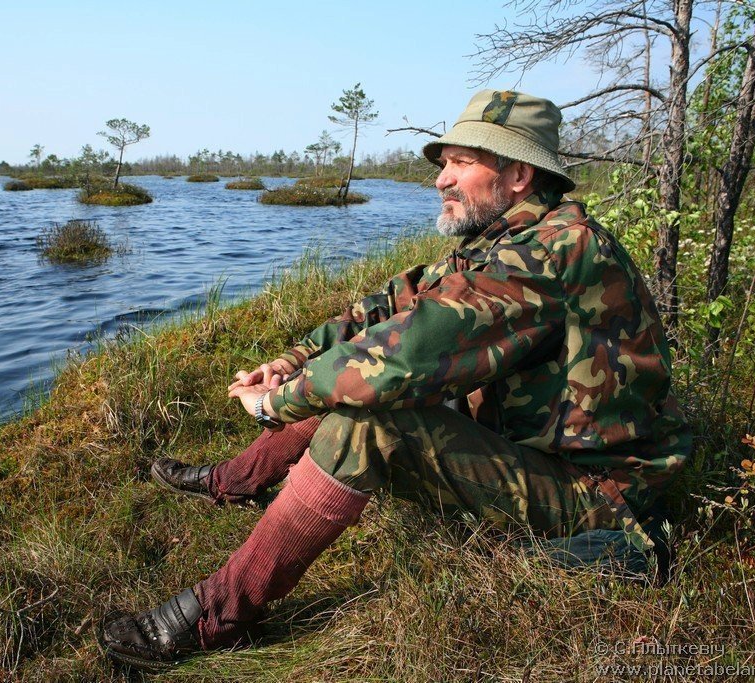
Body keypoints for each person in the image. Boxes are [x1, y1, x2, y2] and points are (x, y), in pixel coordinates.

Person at [96, 89, 692, 671]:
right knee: (346, 382)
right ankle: (236, 482)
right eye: (445, 163)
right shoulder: (502, 239)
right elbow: (388, 307)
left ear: (516, 176)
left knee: (367, 417)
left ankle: (216, 614)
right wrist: (296, 359)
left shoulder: (553, 251)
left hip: (596, 493)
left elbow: (405, 354)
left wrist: (275, 402)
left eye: (462, 162)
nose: (442, 178)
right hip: (531, 449)